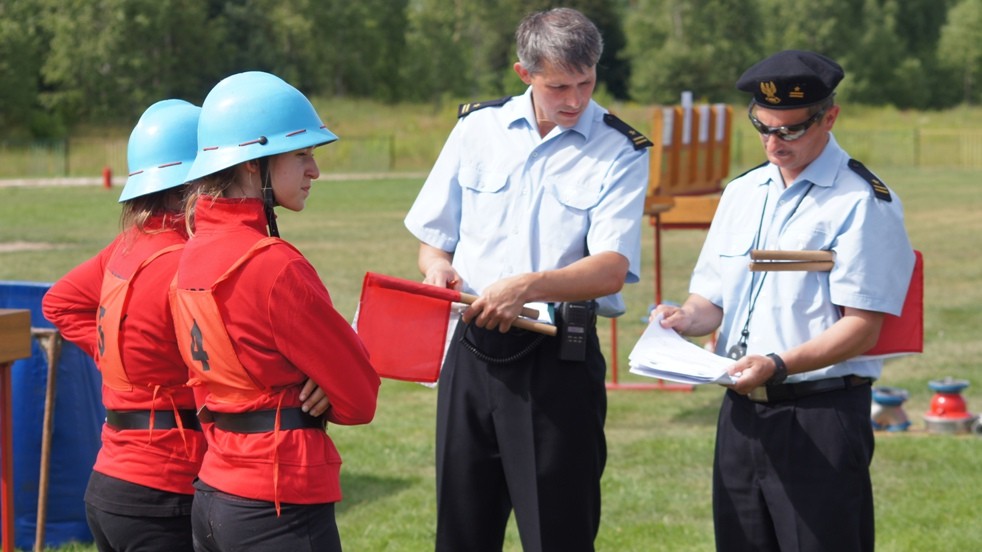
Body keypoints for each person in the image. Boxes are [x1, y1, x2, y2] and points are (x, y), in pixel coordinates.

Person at [404, 8, 651, 551]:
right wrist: (436, 268)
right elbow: (433, 236)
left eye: (586, 83)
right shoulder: (476, 129)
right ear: (525, 74)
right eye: (559, 85)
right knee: (462, 531)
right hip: (469, 352)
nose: (575, 99)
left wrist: (527, 286)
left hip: (555, 358)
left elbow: (611, 266)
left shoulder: (620, 149)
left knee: (556, 534)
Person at [651, 50, 915, 551]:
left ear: (829, 117)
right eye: (763, 127)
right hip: (741, 414)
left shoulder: (861, 202)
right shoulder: (742, 192)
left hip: (820, 416)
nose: (774, 143)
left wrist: (776, 364)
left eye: (790, 130)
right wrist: (684, 318)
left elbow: (862, 327)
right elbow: (712, 297)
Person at [171, 71, 380, 552]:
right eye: (302, 154)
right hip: (278, 503)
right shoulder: (273, 265)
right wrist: (324, 384)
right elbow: (360, 396)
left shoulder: (190, 251)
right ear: (252, 165)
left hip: (215, 494)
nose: (315, 170)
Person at [41, 99, 205, 552]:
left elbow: (60, 301)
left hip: (111, 484)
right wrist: (121, 355)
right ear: (185, 189)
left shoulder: (130, 243)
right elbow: (62, 304)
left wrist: (120, 357)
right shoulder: (185, 260)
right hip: (164, 489)